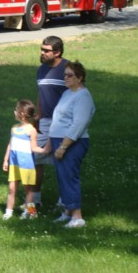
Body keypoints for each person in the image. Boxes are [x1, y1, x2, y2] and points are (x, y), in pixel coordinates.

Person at [49, 60, 95, 228]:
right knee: (62, 177)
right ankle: (68, 212)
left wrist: (63, 146)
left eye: (70, 75)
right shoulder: (68, 93)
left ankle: (77, 217)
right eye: (65, 75)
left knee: (69, 176)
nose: (66, 78)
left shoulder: (83, 96)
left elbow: (79, 124)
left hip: (72, 143)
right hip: (59, 140)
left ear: (80, 77)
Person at [34, 35, 68, 208]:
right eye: (42, 49)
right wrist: (38, 117)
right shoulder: (41, 70)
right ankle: (35, 200)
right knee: (36, 159)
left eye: (46, 51)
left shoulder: (67, 69)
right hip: (45, 121)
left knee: (62, 161)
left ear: (58, 52)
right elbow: (42, 94)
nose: (42, 53)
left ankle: (65, 202)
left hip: (63, 123)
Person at [2, 100, 50, 220]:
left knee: (28, 191)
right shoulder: (14, 128)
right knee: (12, 189)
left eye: (16, 110)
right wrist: (5, 159)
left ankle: (31, 213)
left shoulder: (31, 130)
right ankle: (8, 212)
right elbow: (10, 144)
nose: (14, 112)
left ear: (22, 113)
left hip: (27, 165)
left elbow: (33, 147)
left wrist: (44, 150)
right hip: (14, 164)